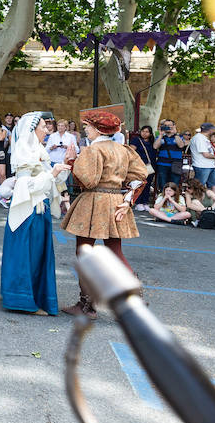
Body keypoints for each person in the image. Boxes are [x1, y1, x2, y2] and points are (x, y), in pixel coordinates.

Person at [60, 110, 149, 318]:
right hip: (116, 201)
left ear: (98, 129)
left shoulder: (93, 150)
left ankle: (87, 306)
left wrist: (73, 161)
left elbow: (88, 180)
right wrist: (127, 200)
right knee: (116, 252)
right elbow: (140, 176)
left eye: (87, 128)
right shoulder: (124, 150)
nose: (86, 131)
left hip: (94, 201)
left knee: (84, 253)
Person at [0, 112, 68, 315]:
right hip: (28, 210)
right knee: (27, 254)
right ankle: (23, 300)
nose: (47, 130)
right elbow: (24, 184)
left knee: (36, 254)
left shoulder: (38, 149)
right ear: (32, 130)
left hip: (40, 207)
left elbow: (51, 178)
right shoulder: (24, 149)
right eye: (43, 127)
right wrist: (52, 174)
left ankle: (28, 295)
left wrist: (62, 167)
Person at [154, 120, 188, 192]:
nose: (168, 127)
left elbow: (181, 145)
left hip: (176, 164)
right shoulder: (161, 137)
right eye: (165, 125)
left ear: (174, 126)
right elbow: (155, 147)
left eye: (170, 125)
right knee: (162, 184)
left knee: (175, 184)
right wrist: (160, 135)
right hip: (162, 164)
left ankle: (173, 201)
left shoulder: (179, 136)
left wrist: (175, 134)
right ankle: (163, 201)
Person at [129, 124, 158, 208]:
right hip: (140, 165)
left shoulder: (152, 141)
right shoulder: (136, 140)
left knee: (148, 184)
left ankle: (145, 202)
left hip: (150, 165)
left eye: (147, 132)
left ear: (150, 133)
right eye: (143, 131)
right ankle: (138, 202)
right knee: (139, 183)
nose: (144, 133)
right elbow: (131, 151)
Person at [188, 122, 215, 190]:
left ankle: (211, 200)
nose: (213, 131)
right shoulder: (199, 138)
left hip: (208, 165)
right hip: (202, 166)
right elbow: (205, 154)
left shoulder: (203, 138)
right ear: (210, 130)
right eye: (212, 129)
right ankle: (196, 200)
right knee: (199, 187)